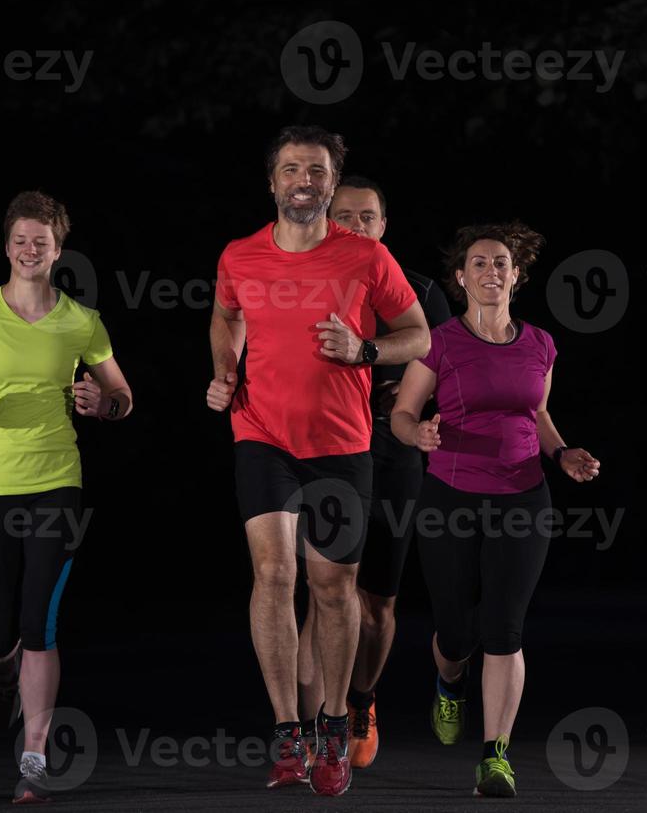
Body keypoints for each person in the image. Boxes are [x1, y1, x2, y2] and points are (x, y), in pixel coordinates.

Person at [206, 127, 431, 796]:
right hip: (262, 435)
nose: (304, 179)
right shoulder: (240, 254)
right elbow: (226, 317)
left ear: (332, 185)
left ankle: (334, 723)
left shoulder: (365, 257)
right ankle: (286, 734)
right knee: (273, 573)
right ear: (273, 181)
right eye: (291, 169)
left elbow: (417, 335)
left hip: (340, 443)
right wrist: (225, 367)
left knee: (333, 586)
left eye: (317, 170)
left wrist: (364, 350)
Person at [0, 191, 133, 804]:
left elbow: (123, 396)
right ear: (6, 246)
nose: (30, 249)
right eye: (20, 240)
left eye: (41, 241)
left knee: (41, 621)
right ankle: (1, 669)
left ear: (58, 250)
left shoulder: (82, 321)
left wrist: (102, 404)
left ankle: (33, 757)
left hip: (57, 482)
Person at [390, 221, 601, 797]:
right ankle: (449, 680)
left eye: (501, 263)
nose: (491, 272)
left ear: (516, 275)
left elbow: (538, 415)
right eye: (479, 264)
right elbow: (402, 413)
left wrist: (563, 454)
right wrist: (419, 436)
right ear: (461, 278)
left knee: (503, 626)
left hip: (524, 496)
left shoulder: (540, 344)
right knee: (457, 631)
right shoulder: (441, 341)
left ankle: (495, 756)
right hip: (451, 495)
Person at [295, 175, 453, 768]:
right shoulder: (307, 280)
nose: (358, 227)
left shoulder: (418, 290)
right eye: (347, 217)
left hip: (393, 452)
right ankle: (310, 730)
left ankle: (362, 700)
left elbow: (443, 361)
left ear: (384, 227)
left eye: (368, 218)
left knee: (378, 601)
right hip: (328, 447)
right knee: (324, 592)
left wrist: (407, 401)